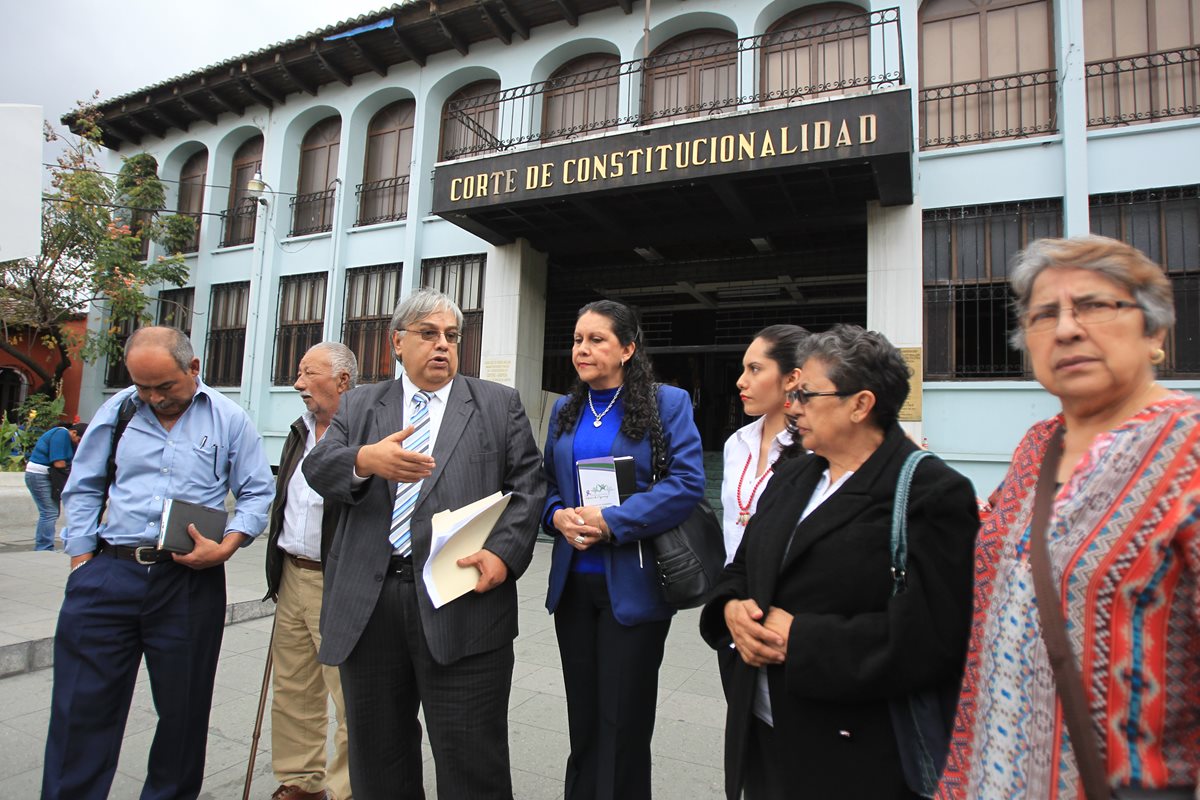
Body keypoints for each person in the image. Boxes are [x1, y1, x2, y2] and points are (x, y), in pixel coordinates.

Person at [937, 236, 1200, 799]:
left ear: (1155, 332)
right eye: (1043, 315)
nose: (1065, 330)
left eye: (1096, 305)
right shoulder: (1037, 446)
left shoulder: (1190, 446)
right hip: (986, 777)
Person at [700, 324, 979, 800]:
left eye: (806, 394)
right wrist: (729, 609)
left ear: (860, 404)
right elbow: (742, 566)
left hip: (855, 752)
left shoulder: (930, 493)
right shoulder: (794, 472)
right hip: (764, 727)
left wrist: (802, 639)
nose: (794, 406)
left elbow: (932, 639)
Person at [302, 288, 546, 800]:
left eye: (452, 336)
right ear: (397, 342)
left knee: (471, 759)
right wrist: (365, 461)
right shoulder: (364, 404)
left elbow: (528, 488)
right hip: (371, 607)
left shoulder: (497, 404)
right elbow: (317, 468)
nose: (442, 346)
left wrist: (503, 554)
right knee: (378, 758)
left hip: (463, 600)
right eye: (429, 334)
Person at [42, 325, 275, 800]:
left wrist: (229, 544)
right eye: (142, 386)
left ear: (193, 369)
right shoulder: (119, 411)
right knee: (80, 711)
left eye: (164, 387)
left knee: (184, 714)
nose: (153, 397)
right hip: (109, 574)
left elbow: (256, 492)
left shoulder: (229, 419)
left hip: (188, 584)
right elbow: (84, 485)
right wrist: (83, 561)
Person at [543, 299, 706, 800]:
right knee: (584, 718)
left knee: (624, 721)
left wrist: (612, 522)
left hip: (633, 584)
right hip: (574, 584)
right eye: (577, 340)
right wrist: (556, 515)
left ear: (628, 348)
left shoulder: (667, 402)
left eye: (596, 340)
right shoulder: (564, 410)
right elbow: (547, 483)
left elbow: (686, 483)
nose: (582, 349)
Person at [263, 342, 359, 800]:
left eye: (308, 373)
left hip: (338, 580)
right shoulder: (299, 431)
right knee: (293, 686)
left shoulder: (363, 431)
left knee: (349, 694)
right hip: (291, 574)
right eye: (298, 373)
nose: (298, 383)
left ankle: (345, 790)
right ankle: (301, 781)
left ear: (342, 381)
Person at [720, 324, 806, 564]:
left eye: (755, 369)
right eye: (743, 369)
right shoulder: (736, 443)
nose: (740, 381)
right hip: (734, 591)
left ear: (791, 378)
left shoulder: (816, 449)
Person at [25, 421, 87, 551]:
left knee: (52, 512)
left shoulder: (68, 439)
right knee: (49, 512)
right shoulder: (62, 433)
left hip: (46, 476)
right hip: (39, 475)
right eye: (79, 440)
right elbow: (59, 463)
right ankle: (44, 547)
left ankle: (44, 545)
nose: (79, 443)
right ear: (74, 432)